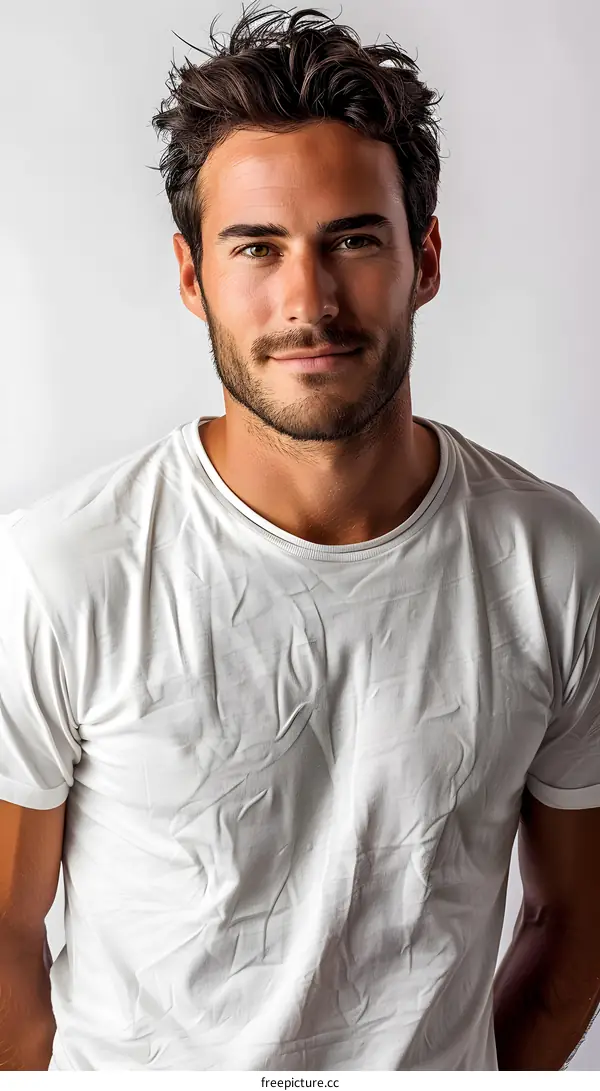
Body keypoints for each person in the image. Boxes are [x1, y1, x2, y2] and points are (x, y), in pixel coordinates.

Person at [1, 3, 600, 1074]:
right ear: (194, 277)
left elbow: (574, 936)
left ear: (424, 258)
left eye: (353, 240)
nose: (308, 300)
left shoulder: (552, 563)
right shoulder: (61, 572)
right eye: (257, 247)